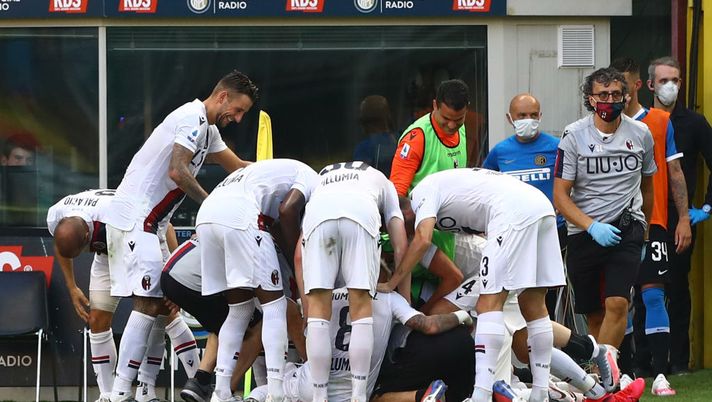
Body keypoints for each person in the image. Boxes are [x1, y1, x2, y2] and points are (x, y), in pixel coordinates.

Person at [105, 70, 255, 402]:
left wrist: (274, 173)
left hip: (154, 222)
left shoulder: (209, 130)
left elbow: (240, 166)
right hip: (136, 218)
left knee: (163, 306)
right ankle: (118, 394)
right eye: (239, 109)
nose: (239, 118)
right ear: (222, 97)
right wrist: (214, 202)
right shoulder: (191, 117)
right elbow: (177, 169)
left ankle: (145, 391)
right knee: (147, 304)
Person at [380, 168, 565, 402]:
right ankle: (540, 393)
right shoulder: (444, 189)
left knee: (488, 304)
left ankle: (482, 394)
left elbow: (423, 238)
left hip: (510, 213)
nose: (399, 234)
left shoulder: (421, 194)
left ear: (397, 215)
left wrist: (391, 283)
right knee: (533, 304)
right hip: (539, 206)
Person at [553, 67, 656, 392]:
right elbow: (560, 194)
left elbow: (648, 185)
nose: (609, 101)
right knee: (594, 313)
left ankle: (601, 380)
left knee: (618, 304)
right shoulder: (573, 135)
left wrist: (646, 231)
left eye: (615, 94)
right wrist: (590, 225)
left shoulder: (641, 133)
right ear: (590, 98)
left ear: (626, 96)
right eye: (603, 95)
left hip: (627, 228)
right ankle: (599, 377)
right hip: (585, 232)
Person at [47, 189, 199, 402]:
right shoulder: (57, 213)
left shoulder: (118, 212)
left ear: (87, 235)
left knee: (166, 311)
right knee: (97, 320)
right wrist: (72, 287)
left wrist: (173, 274)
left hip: (142, 244)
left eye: (83, 249)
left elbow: (166, 227)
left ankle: (195, 383)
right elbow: (61, 246)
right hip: (107, 254)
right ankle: (108, 394)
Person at [196, 158, 318, 402]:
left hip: (206, 216)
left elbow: (276, 227)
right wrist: (301, 265)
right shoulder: (312, 178)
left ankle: (220, 393)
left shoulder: (269, 174)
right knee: (275, 305)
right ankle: (276, 392)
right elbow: (288, 210)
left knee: (239, 310)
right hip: (240, 216)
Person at [611, 57, 692, 395]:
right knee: (619, 300)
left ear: (636, 85)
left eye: (624, 86)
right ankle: (626, 372)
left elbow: (674, 172)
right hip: (613, 223)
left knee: (654, 295)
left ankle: (660, 374)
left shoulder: (659, 121)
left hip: (653, 221)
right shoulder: (601, 126)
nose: (620, 93)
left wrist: (684, 217)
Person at [244, 285, 474, 402]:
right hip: (354, 390)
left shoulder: (321, 295)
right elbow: (428, 325)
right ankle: (422, 396)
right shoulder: (388, 297)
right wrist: (462, 316)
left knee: (276, 388)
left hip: (313, 387)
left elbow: (289, 310)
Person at [300, 161, 407, 402]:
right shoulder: (382, 181)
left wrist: (306, 305)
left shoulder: (320, 176)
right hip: (361, 215)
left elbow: (299, 255)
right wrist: (399, 290)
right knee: (360, 307)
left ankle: (319, 396)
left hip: (318, 217)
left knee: (318, 310)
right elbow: (401, 245)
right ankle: (358, 396)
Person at [160, 237, 306, 402]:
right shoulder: (274, 253)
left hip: (173, 269)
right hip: (192, 277)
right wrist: (312, 366)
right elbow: (289, 312)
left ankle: (200, 380)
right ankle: (224, 393)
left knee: (228, 322)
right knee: (254, 328)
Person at [646, 56, 712, 375]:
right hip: (645, 217)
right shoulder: (640, 122)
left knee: (678, 288)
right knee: (645, 287)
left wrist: (705, 208)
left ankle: (678, 360)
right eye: (663, 80)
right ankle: (642, 360)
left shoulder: (694, 123)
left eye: (675, 80)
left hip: (680, 219)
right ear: (650, 85)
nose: (670, 86)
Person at [482, 93, 567, 319]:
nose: (527, 120)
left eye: (532, 115)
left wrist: (564, 205)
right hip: (514, 235)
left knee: (548, 296)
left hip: (552, 233)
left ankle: (553, 346)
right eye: (521, 115)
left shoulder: (557, 147)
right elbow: (485, 187)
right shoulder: (500, 152)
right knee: (516, 293)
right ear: (510, 118)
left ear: (540, 116)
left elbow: (573, 182)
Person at [389, 79, 469, 306]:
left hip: (446, 233)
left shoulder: (462, 131)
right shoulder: (417, 138)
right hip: (417, 235)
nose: (452, 126)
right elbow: (395, 196)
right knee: (448, 281)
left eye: (458, 120)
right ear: (435, 105)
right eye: (446, 119)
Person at [353, 95, 398, 177]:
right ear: (388, 117)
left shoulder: (363, 148)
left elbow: (361, 178)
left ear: (365, 123)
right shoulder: (402, 139)